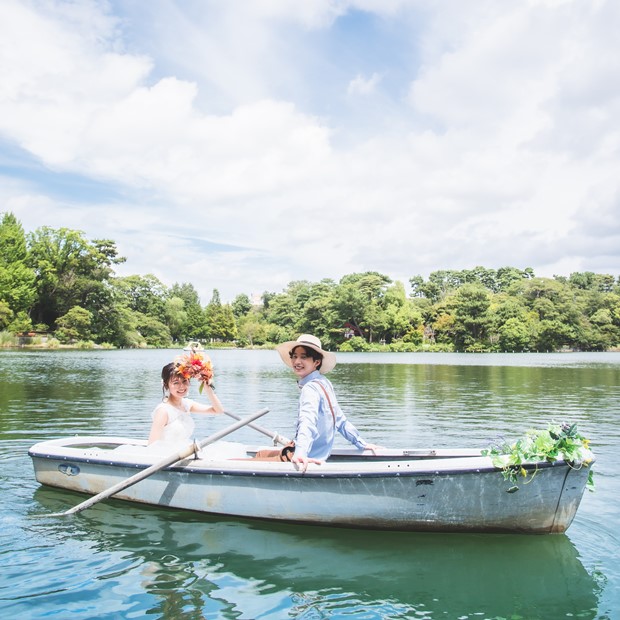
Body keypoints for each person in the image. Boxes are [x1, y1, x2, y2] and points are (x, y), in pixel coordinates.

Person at [274, 334, 380, 471]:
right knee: (263, 454)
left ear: (316, 362)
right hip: (319, 455)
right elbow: (340, 420)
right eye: (294, 356)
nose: (297, 362)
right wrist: (361, 443)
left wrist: (300, 454)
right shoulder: (325, 383)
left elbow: (307, 422)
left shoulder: (310, 388)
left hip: (308, 457)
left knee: (259, 456)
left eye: (303, 357)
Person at [148, 358, 224, 450]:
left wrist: (207, 389)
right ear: (166, 385)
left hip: (184, 451)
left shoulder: (187, 404)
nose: (182, 387)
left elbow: (218, 411)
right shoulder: (163, 411)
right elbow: (151, 446)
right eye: (176, 383)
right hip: (167, 456)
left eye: (185, 381)